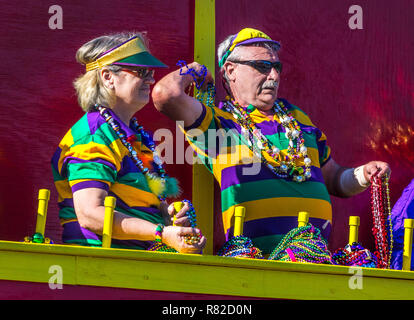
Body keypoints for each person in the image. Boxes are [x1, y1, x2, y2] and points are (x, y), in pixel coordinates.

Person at [152, 27, 390, 255]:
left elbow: (334, 179)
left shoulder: (299, 120)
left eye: (276, 66)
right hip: (255, 262)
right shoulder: (218, 124)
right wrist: (195, 71)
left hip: (315, 258)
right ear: (231, 70)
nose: (274, 75)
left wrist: (362, 175)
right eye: (262, 66)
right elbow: (166, 95)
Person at [51, 32, 206, 253]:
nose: (151, 80)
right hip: (102, 266)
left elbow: (136, 204)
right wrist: (161, 233)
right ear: (107, 77)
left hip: (133, 264)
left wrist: (169, 215)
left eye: (151, 72)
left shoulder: (133, 136)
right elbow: (90, 213)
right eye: (141, 71)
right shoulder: (94, 135)